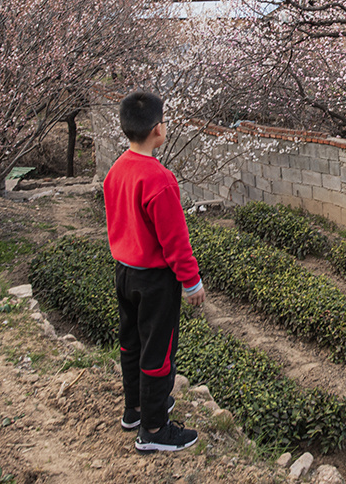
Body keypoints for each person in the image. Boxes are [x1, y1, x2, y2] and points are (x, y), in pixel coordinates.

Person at [104, 90, 206, 453]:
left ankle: (134, 409)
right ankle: (154, 429)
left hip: (125, 272)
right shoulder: (159, 180)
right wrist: (191, 282)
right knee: (158, 352)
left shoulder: (117, 169)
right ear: (158, 130)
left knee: (131, 343)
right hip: (154, 280)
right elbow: (175, 241)